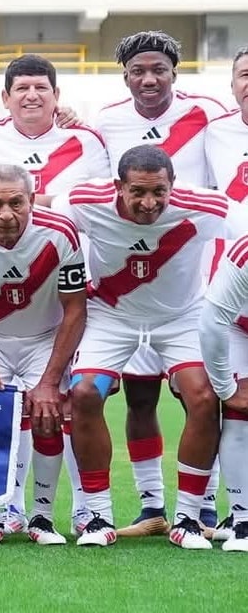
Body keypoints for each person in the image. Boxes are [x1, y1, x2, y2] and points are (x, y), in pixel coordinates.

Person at [57, 146, 247, 549]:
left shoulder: (203, 205)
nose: (149, 203)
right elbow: (45, 216)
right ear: (118, 187)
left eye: (159, 192)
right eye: (138, 192)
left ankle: (188, 519)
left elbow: (244, 228)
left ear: (173, 185)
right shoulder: (85, 201)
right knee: (85, 392)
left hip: (181, 316)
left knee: (202, 396)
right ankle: (97, 516)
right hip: (113, 315)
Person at [91, 30, 227, 538]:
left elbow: (221, 186)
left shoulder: (208, 114)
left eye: (159, 70)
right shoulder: (106, 121)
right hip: (127, 280)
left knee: (201, 395)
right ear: (124, 75)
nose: (149, 80)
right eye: (137, 71)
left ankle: (204, 506)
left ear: (176, 72)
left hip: (189, 277)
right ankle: (150, 507)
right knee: (140, 398)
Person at [0, 165, 88, 545]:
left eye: (16, 202)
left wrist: (47, 381)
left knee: (47, 417)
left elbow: (76, 308)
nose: (6, 214)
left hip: (45, 338)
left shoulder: (59, 234)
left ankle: (42, 518)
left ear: (31, 201)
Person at [0, 54, 109, 199]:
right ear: (6, 98)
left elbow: (102, 203)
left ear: (56, 95)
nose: (32, 96)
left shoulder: (87, 141)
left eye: (41, 88)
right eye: (22, 88)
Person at [199, 232, 248, 550]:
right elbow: (213, 321)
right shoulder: (245, 251)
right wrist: (226, 388)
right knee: (239, 414)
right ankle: (242, 518)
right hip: (236, 325)